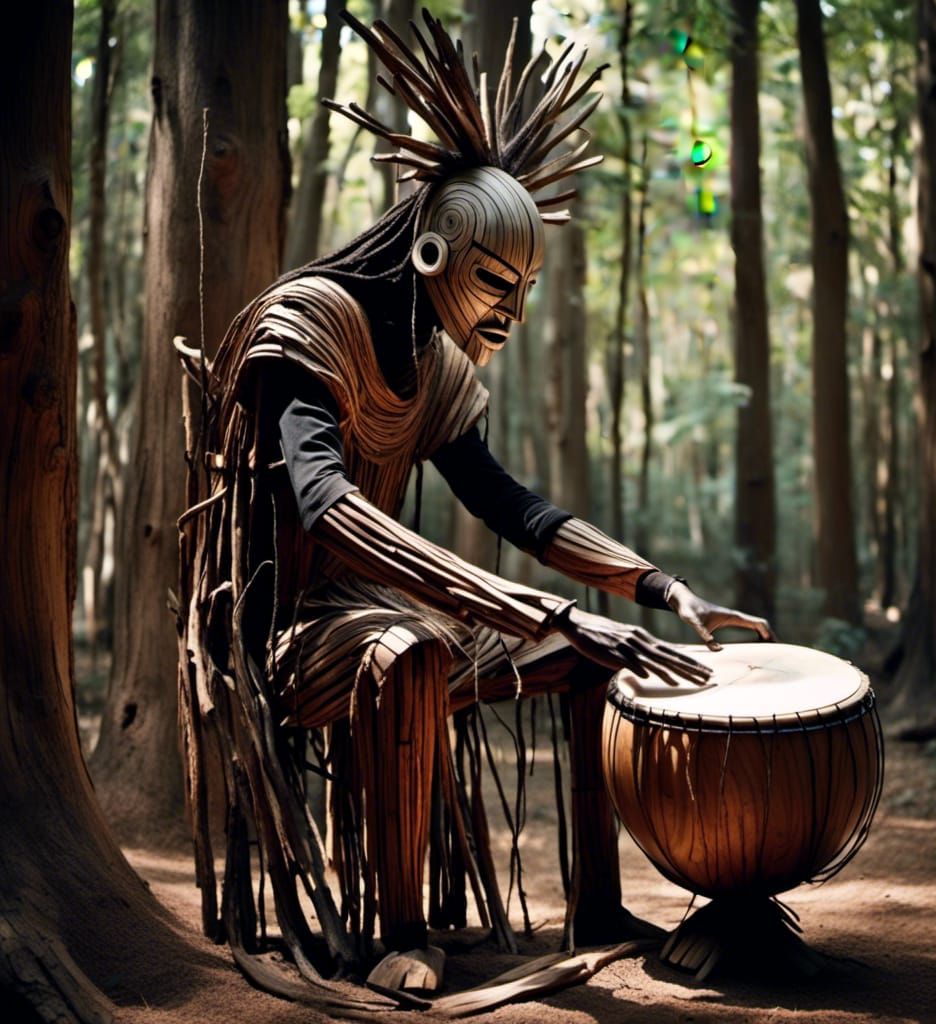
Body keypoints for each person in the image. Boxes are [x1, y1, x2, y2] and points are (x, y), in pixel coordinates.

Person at [180, 9, 772, 993]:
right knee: (412, 653)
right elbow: (326, 505)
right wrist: (539, 609)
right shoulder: (309, 327)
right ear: (433, 252)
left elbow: (512, 507)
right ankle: (404, 933)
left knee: (588, 656)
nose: (514, 311)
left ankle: (597, 902)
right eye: (498, 281)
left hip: (390, 606)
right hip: (294, 631)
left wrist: (658, 587)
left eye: (526, 287)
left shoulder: (437, 370)